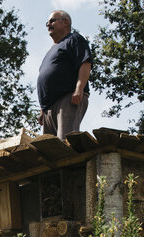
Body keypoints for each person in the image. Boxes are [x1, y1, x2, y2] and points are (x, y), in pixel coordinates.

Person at [37, 10, 92, 140]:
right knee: (49, 150)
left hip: (68, 99)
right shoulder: (51, 50)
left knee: (65, 143)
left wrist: (79, 89)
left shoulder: (74, 39)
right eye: (47, 22)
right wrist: (42, 111)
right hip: (49, 109)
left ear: (65, 22)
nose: (48, 25)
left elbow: (85, 63)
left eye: (52, 21)